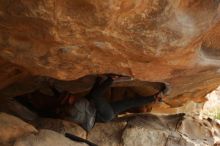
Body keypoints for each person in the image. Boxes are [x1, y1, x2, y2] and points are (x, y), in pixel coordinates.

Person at [57, 75, 165, 131]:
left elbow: (89, 97)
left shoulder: (76, 105)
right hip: (103, 114)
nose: (72, 95)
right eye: (69, 96)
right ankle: (111, 79)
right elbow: (91, 97)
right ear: (68, 101)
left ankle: (154, 98)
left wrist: (98, 80)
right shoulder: (76, 106)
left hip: (104, 114)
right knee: (95, 96)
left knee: (129, 103)